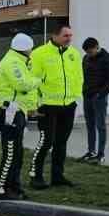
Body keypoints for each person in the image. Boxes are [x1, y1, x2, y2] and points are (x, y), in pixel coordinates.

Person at [29, 23, 84, 189]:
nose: (69, 39)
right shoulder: (39, 54)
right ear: (55, 35)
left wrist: (75, 98)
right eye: (66, 36)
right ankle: (35, 177)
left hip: (68, 105)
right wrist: (33, 106)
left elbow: (79, 77)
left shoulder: (74, 54)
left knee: (61, 142)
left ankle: (57, 176)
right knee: (46, 142)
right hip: (47, 106)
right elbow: (32, 81)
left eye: (70, 36)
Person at [0, 33, 40, 200]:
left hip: (16, 111)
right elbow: (23, 85)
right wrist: (38, 80)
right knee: (11, 152)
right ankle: (2, 189)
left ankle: (13, 186)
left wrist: (31, 107)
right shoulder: (12, 62)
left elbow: (25, 88)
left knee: (17, 153)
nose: (31, 51)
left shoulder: (20, 62)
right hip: (9, 111)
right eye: (30, 48)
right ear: (25, 48)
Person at [80, 37, 109, 163]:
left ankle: (100, 155)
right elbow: (83, 76)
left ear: (97, 47)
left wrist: (100, 94)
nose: (88, 55)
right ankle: (91, 152)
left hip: (99, 98)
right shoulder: (86, 59)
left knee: (100, 126)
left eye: (90, 52)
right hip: (87, 96)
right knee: (89, 125)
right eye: (87, 53)